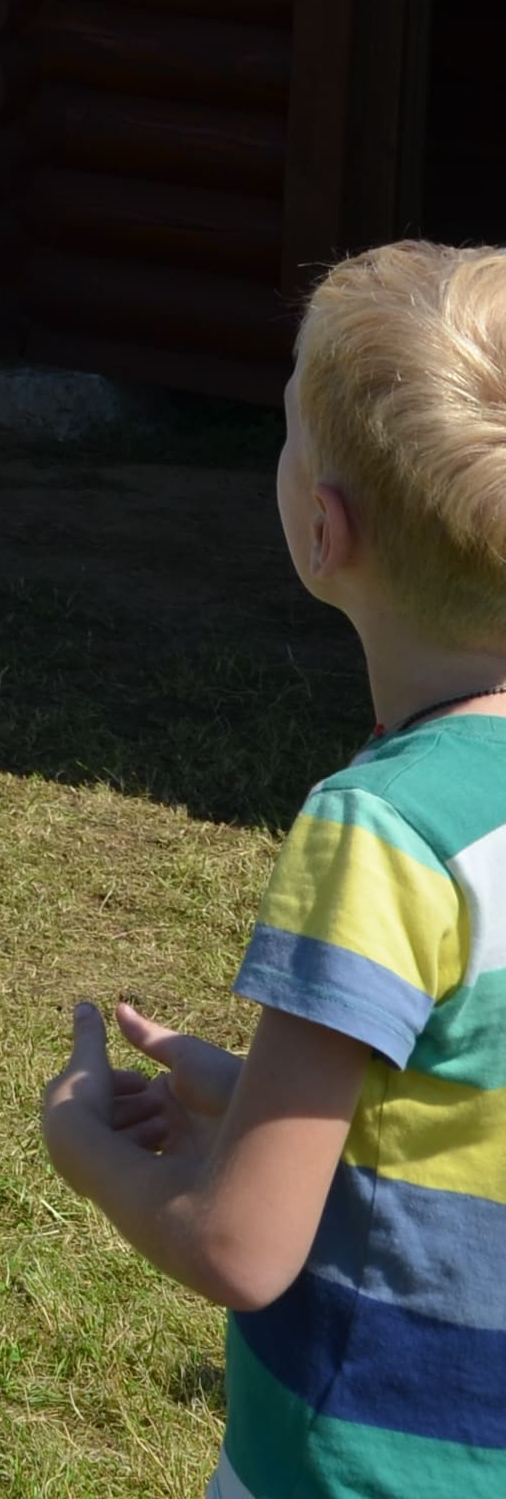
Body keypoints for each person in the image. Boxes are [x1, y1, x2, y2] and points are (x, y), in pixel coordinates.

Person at [41, 238, 506, 1499]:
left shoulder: (383, 831)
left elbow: (241, 1246)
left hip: (364, 1466)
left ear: (321, 529)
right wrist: (258, 1101)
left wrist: (87, 1147)